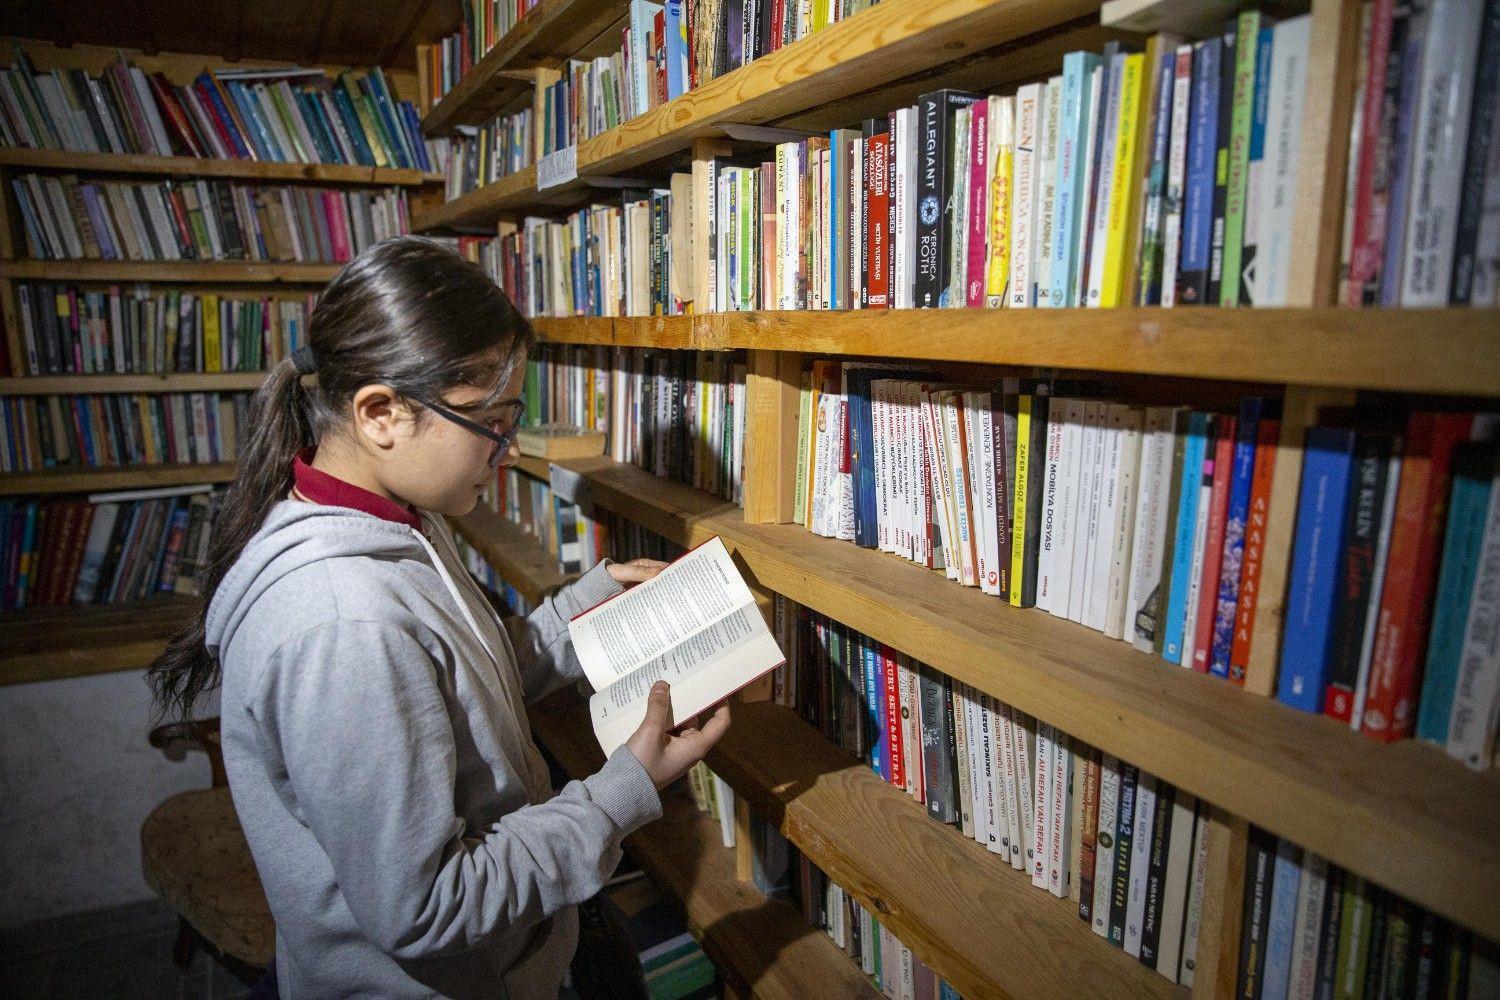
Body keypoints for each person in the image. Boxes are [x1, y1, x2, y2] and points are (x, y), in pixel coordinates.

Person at [149, 236, 730, 999]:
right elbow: (425, 907)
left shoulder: (400, 516)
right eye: (492, 419)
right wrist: (622, 790)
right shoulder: (343, 626)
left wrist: (585, 609)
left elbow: (462, 679)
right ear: (382, 413)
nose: (510, 444)